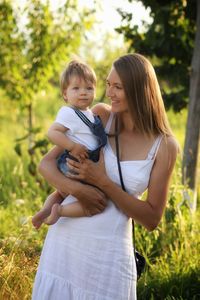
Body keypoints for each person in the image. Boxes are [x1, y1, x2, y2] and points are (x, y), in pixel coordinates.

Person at [32, 53, 178, 300]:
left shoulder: (164, 145)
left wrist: (102, 183)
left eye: (118, 87)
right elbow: (46, 165)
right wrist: (78, 191)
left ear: (140, 90)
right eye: (108, 84)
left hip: (110, 257)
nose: (109, 92)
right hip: (66, 243)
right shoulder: (100, 116)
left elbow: (152, 218)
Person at [32, 60, 107, 229]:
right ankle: (61, 211)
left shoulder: (89, 113)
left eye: (89, 88)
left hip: (79, 163)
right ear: (65, 94)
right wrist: (72, 146)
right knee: (97, 201)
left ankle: (45, 211)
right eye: (76, 88)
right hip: (74, 163)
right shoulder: (68, 112)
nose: (83, 93)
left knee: (59, 193)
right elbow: (52, 132)